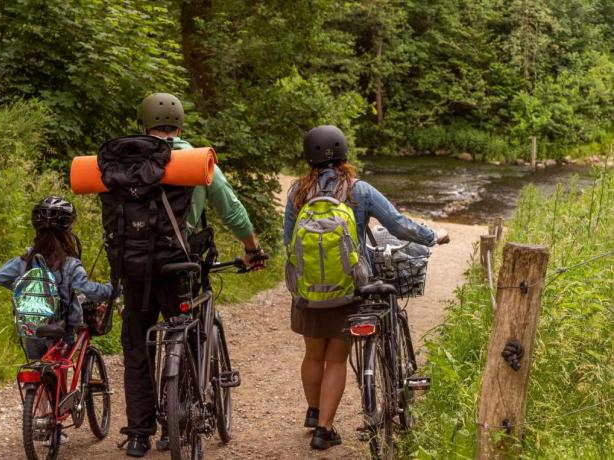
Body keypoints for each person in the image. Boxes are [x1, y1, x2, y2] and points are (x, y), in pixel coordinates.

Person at [118, 93, 267, 457]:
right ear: (180, 126)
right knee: (189, 336)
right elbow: (231, 210)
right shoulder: (196, 160)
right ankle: (178, 423)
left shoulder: (124, 160)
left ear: (144, 125)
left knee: (137, 345)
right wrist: (251, 248)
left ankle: (138, 433)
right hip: (180, 267)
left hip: (134, 268)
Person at [282, 125, 449, 450]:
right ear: (344, 154)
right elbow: (398, 225)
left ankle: (314, 414)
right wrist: (433, 236)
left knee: (314, 354)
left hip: (308, 290)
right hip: (350, 288)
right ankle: (324, 430)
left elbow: (289, 242)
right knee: (336, 359)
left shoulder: (297, 192)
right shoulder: (359, 190)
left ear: (309, 157)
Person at [0, 196, 113, 359]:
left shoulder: (27, 260)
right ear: (68, 231)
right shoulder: (70, 265)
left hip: (32, 328)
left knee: (38, 368)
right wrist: (112, 288)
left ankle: (35, 385)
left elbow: (0, 276)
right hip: (61, 331)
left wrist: (24, 286)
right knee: (57, 370)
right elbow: (90, 291)